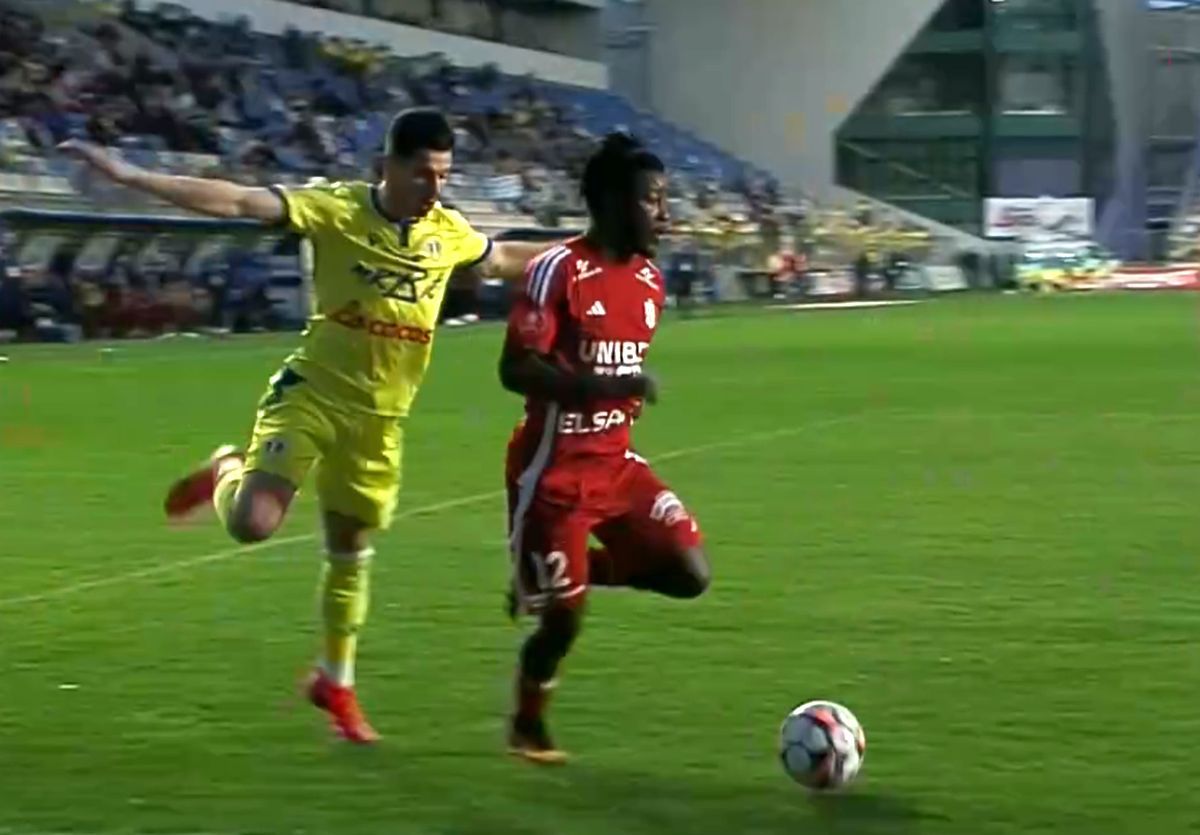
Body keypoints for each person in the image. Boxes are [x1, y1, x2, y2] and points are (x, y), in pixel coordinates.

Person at [61, 108, 560, 744]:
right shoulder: (336, 209)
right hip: (312, 396)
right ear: (387, 166)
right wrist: (131, 175)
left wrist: (599, 251)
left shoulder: (448, 231)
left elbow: (507, 258)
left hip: (380, 422)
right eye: (422, 174)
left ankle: (335, 680)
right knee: (252, 523)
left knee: (349, 551)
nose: (434, 188)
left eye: (443, 175)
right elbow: (239, 201)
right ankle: (225, 470)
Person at [498, 133, 712, 764]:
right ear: (615, 203)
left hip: (617, 466)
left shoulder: (649, 281)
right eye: (653, 200)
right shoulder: (558, 270)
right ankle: (526, 723)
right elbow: (516, 368)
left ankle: (554, 576)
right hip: (553, 475)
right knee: (563, 622)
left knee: (689, 573)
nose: (665, 214)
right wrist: (606, 386)